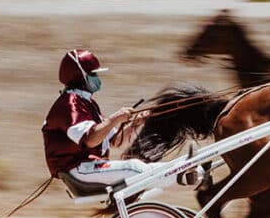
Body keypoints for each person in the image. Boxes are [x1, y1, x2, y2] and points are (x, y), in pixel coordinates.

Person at [42, 49, 182, 190]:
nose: (97, 78)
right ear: (80, 76)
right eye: (93, 74)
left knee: (143, 167)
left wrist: (136, 123)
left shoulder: (86, 103)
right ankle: (182, 177)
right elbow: (90, 140)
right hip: (77, 169)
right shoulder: (69, 104)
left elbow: (116, 140)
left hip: (88, 167)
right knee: (134, 168)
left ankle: (188, 171)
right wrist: (116, 117)